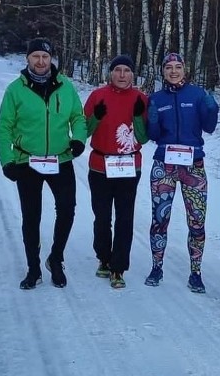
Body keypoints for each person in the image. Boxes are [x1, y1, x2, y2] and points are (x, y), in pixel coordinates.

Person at [0, 38, 87, 290]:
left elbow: (78, 117)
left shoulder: (65, 86)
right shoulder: (16, 89)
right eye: (35, 56)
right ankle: (33, 267)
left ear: (51, 59)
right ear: (27, 59)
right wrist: (7, 160)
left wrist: (78, 139)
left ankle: (55, 259)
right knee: (31, 216)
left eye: (45, 57)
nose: (40, 61)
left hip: (61, 159)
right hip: (28, 161)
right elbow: (3, 128)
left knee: (67, 210)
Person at [145, 52, 219, 293]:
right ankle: (157, 267)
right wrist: (153, 118)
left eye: (178, 67)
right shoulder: (156, 97)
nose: (173, 71)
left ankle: (195, 272)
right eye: (169, 68)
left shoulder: (197, 95)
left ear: (185, 70)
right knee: (159, 219)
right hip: (163, 166)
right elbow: (153, 135)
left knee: (197, 222)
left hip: (193, 165)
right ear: (163, 71)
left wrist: (212, 109)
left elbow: (209, 127)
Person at [83, 55, 148, 289]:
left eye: (127, 70)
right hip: (100, 165)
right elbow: (84, 131)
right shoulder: (97, 96)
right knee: (102, 217)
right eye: (117, 70)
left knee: (125, 218)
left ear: (133, 74)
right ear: (110, 73)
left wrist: (139, 117)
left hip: (129, 166)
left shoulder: (141, 98)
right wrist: (96, 118)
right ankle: (103, 257)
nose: (122, 75)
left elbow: (144, 137)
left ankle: (118, 268)